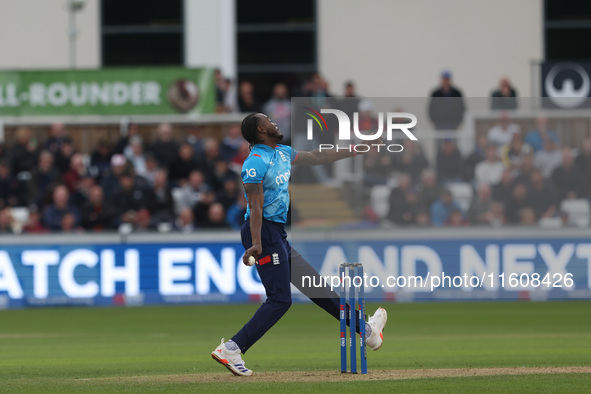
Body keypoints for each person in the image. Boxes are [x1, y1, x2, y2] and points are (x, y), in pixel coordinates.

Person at [211, 113, 388, 376]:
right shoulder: (254, 163)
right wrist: (257, 243)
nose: (275, 122)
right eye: (269, 120)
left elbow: (317, 157)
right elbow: (256, 205)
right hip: (262, 233)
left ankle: (368, 332)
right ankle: (232, 348)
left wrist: (357, 148)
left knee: (317, 288)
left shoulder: (282, 151)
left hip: (276, 233)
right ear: (261, 130)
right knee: (280, 299)